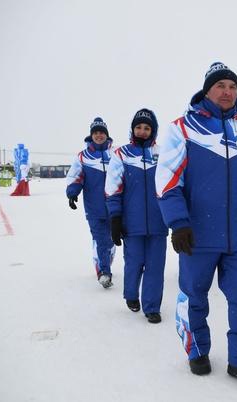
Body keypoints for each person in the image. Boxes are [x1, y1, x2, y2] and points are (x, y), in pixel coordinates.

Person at [155, 62, 237, 384]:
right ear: (207, 90)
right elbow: (167, 181)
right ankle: (197, 351)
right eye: (220, 85)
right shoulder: (183, 128)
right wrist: (178, 222)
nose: (227, 91)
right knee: (194, 296)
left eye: (232, 87)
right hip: (198, 232)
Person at [105, 109, 168, 324]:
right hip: (132, 223)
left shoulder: (163, 153)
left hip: (159, 223)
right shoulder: (121, 154)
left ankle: (152, 306)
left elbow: (172, 185)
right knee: (134, 263)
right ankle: (131, 294)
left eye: (147, 128)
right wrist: (115, 218)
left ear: (153, 131)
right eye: (139, 127)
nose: (142, 131)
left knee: (155, 266)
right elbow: (113, 188)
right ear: (133, 129)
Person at [66, 117, 115, 288]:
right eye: (96, 133)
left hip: (114, 207)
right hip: (94, 208)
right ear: (91, 135)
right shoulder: (83, 157)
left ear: (106, 135)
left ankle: (105, 262)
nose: (99, 135)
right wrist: (72, 192)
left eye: (102, 132)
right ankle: (104, 272)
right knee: (101, 239)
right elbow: (76, 176)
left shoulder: (115, 154)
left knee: (110, 241)